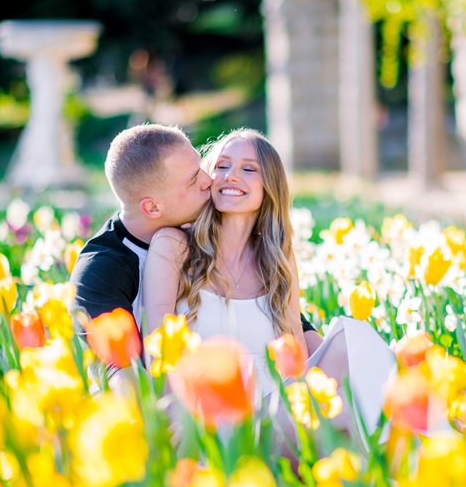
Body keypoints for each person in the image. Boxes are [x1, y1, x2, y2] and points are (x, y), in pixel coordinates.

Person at [142, 128, 394, 429]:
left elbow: (296, 361)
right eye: (222, 166)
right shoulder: (174, 246)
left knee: (355, 338)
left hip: (274, 417)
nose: (231, 175)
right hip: (206, 422)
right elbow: (155, 350)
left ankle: (430, 448)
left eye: (248, 169)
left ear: (269, 187)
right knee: (347, 417)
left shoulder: (277, 260)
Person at [69, 124, 321, 350]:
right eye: (193, 180)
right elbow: (124, 369)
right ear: (153, 208)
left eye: (201, 167)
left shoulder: (262, 254)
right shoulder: (103, 269)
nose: (210, 179)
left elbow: (285, 323)